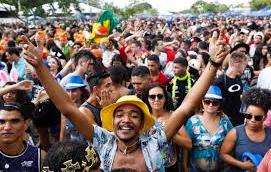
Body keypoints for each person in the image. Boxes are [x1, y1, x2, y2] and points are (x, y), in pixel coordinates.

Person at [21, 34, 229, 171]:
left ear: (142, 123)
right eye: (119, 114)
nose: (126, 120)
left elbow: (185, 108)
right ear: (112, 121)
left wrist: (212, 65)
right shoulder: (104, 142)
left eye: (134, 115)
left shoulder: (155, 141)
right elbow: (68, 108)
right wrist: (40, 66)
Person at [144, 82, 192, 172]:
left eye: (160, 96)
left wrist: (167, 130)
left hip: (170, 166)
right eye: (152, 96)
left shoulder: (173, 116)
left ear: (165, 98)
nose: (156, 99)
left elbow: (188, 144)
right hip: (148, 166)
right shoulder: (143, 118)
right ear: (147, 99)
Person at [220, 88, 271, 172]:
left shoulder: (269, 134)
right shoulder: (235, 133)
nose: (252, 120)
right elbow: (223, 154)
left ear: (265, 117)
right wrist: (241, 165)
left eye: (257, 117)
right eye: (248, 116)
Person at [184, 85, 233, 172]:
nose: (210, 105)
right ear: (202, 102)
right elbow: (185, 147)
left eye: (215, 103)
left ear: (220, 104)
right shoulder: (192, 122)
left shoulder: (225, 122)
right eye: (207, 101)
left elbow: (232, 145)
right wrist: (184, 167)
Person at [0, 101, 46, 171]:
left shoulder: (40, 157)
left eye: (14, 121)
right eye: (1, 122)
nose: (7, 127)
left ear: (26, 124)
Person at [214, 51, 247, 126]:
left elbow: (239, 95)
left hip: (239, 118)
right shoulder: (220, 81)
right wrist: (222, 114)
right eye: (245, 64)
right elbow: (214, 101)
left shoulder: (238, 78)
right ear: (238, 64)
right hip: (225, 121)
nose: (245, 67)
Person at [60, 75, 89, 142]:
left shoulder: (88, 108)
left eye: (74, 90)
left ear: (81, 91)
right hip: (70, 144)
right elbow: (62, 131)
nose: (70, 94)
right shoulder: (64, 108)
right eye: (68, 91)